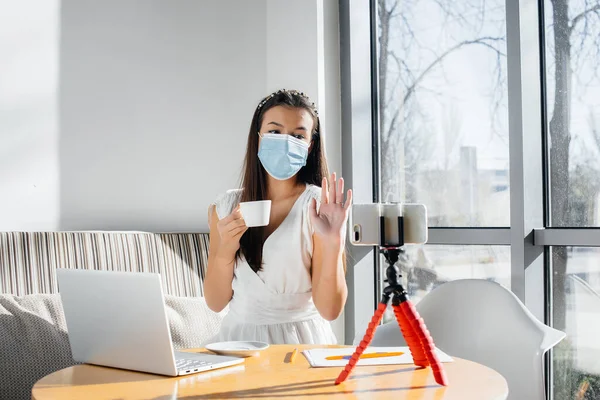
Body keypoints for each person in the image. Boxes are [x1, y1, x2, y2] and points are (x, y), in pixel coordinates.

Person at [205, 89, 352, 345]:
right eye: (274, 131)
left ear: (310, 146)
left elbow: (330, 310)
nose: (285, 141)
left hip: (301, 345)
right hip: (236, 345)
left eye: (298, 135)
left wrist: (333, 242)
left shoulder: (321, 208)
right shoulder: (225, 207)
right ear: (258, 137)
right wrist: (226, 250)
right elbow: (216, 303)